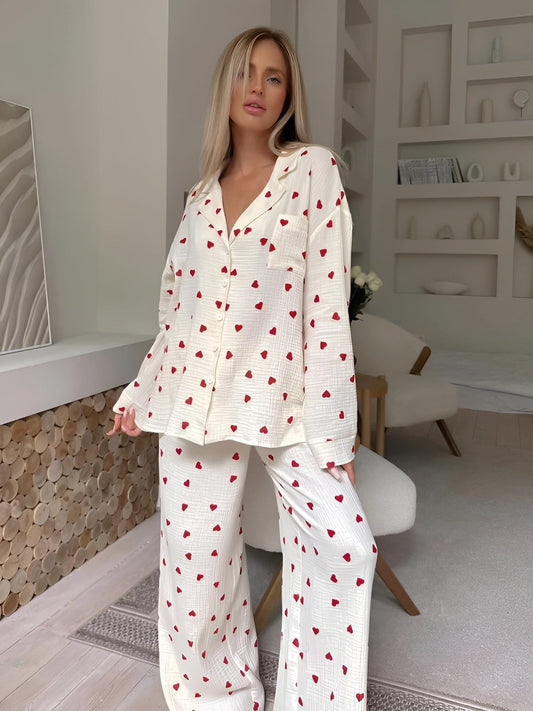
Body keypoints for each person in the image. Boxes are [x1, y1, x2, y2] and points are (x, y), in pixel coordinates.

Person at [108, 26, 376, 711]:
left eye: (272, 77)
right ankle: (219, 697)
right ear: (224, 88)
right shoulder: (199, 196)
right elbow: (178, 312)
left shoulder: (313, 171)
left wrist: (335, 433)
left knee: (346, 547)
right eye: (244, 73)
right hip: (193, 402)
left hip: (287, 401)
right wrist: (139, 391)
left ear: (288, 95)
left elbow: (327, 309)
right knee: (194, 573)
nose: (256, 88)